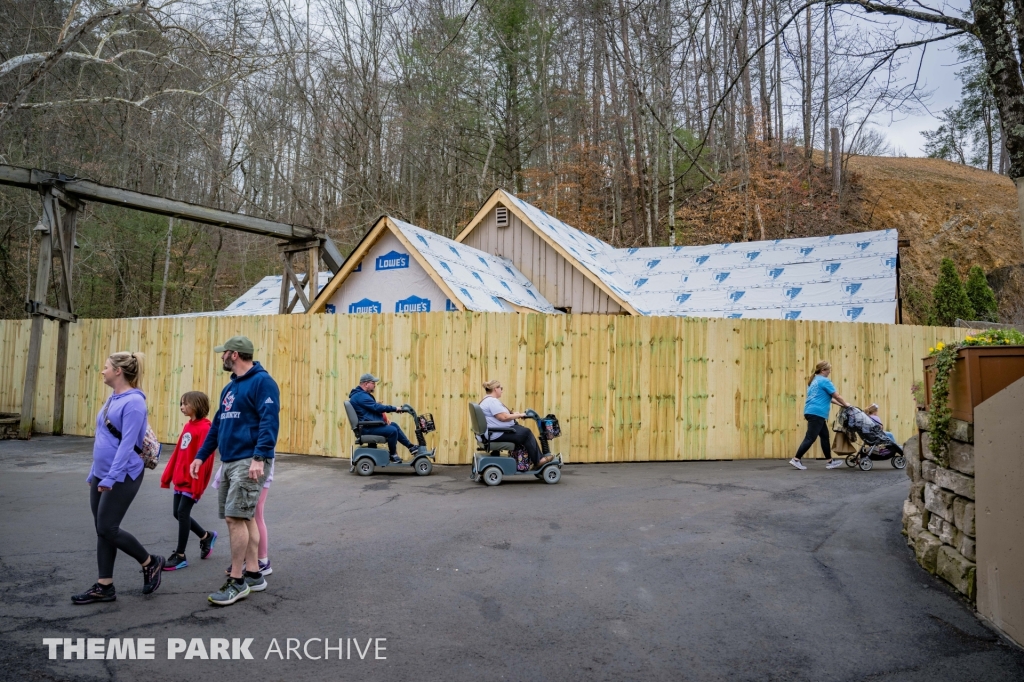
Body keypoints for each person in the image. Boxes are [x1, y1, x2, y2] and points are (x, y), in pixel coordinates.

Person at [190, 336, 279, 607]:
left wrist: (259, 457)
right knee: (246, 517)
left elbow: (269, 420)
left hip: (248, 460)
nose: (221, 358)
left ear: (235, 355)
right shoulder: (230, 388)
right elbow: (217, 425)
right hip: (229, 461)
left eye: (223, 354)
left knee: (234, 518)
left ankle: (237, 580)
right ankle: (253, 573)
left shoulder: (262, 382)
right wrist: (201, 456)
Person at [72, 352, 164, 604]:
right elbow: (104, 436)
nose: (102, 371)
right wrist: (95, 471)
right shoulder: (114, 397)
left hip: (123, 474)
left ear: (118, 371)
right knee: (102, 531)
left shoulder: (134, 402)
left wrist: (111, 476)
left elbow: (126, 445)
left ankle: (150, 562)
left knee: (107, 527)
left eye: (106, 368)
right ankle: (105, 586)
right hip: (103, 473)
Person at [160, 391, 218, 571]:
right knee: (178, 514)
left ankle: (180, 555)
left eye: (185, 404)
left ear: (196, 405)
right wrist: (167, 476)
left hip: (192, 481)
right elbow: (178, 453)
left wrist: (197, 485)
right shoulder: (188, 426)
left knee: (183, 513)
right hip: (181, 479)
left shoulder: (205, 429)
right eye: (181, 404)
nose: (181, 407)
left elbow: (206, 460)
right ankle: (206, 536)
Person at [348, 374, 425, 463]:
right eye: (373, 383)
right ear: (366, 384)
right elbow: (377, 407)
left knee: (394, 425)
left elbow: (370, 410)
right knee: (392, 431)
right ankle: (393, 454)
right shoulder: (361, 396)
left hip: (368, 426)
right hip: (367, 428)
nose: (375, 385)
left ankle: (410, 446)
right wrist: (395, 409)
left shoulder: (360, 395)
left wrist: (383, 419)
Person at [789, 361, 851, 470]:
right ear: (823, 370)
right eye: (828, 370)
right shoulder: (824, 381)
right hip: (817, 413)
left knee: (825, 437)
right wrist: (846, 405)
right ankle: (796, 459)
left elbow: (828, 398)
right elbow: (837, 395)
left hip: (812, 412)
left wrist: (842, 405)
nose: (830, 372)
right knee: (810, 438)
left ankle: (830, 461)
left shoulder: (814, 381)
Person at [479, 379, 553, 469]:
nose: (501, 390)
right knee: (526, 433)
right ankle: (538, 460)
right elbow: (503, 417)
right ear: (495, 389)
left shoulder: (486, 400)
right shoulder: (492, 401)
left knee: (522, 430)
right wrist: (519, 415)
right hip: (496, 433)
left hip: (493, 432)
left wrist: (515, 415)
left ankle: (530, 461)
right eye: (501, 388)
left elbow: (501, 415)